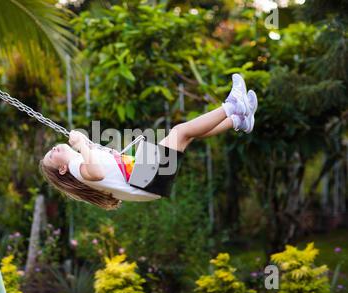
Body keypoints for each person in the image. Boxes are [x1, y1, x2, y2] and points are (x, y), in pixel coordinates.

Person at [39, 74, 257, 210]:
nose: (52, 149)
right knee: (180, 131)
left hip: (144, 180)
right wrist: (82, 145)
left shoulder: (81, 162)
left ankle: (239, 120)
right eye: (51, 155)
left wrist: (87, 146)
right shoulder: (77, 167)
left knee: (187, 135)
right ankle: (233, 105)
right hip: (144, 180)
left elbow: (103, 168)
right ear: (62, 169)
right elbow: (97, 173)